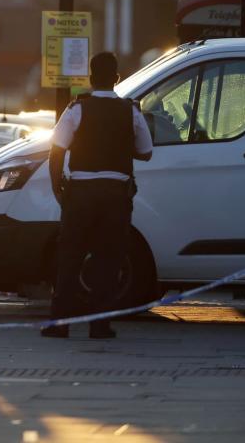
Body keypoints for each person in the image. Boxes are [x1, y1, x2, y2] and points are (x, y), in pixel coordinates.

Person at [42, 52, 153, 339]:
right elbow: (146, 151)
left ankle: (59, 324)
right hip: (115, 195)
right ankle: (100, 324)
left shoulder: (77, 109)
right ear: (117, 79)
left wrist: (58, 186)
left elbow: (57, 150)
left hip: (80, 193)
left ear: (91, 78)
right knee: (109, 258)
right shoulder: (130, 111)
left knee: (69, 257)